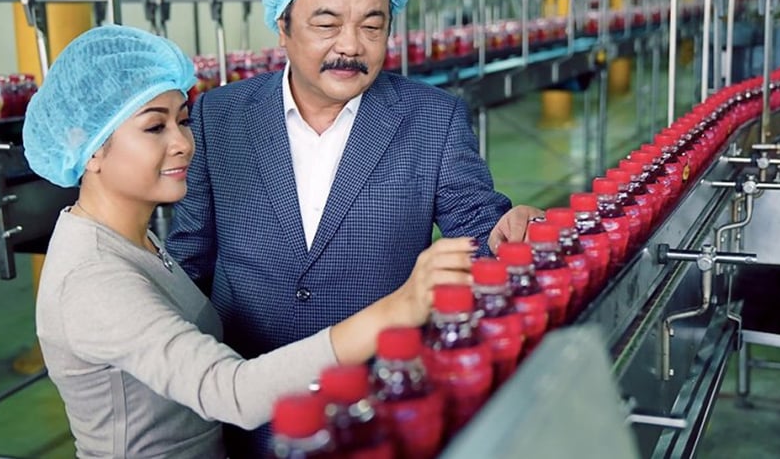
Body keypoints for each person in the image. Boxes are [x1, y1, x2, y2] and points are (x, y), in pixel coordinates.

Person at [165, 0, 541, 456]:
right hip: (244, 403)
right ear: (283, 25)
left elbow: (476, 223)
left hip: (377, 403)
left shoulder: (432, 118)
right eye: (326, 23)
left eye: (372, 25)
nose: (350, 46)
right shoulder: (217, 117)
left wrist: (507, 233)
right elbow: (191, 259)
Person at [23, 25, 476, 458]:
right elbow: (229, 390)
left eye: (182, 121)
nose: (183, 143)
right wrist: (396, 309)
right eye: (154, 127)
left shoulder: (133, 243)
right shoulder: (93, 279)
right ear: (89, 147)